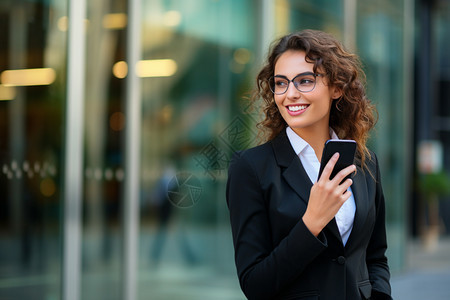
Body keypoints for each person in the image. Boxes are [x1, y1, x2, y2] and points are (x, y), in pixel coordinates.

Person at [226, 29, 392, 300]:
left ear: (337, 88)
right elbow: (254, 283)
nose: (290, 94)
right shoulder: (251, 168)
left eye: (305, 81)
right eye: (280, 83)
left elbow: (375, 257)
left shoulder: (365, 162)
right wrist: (311, 222)